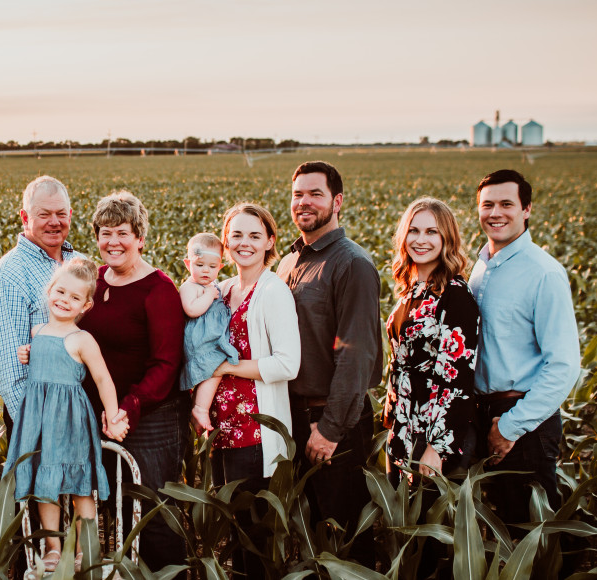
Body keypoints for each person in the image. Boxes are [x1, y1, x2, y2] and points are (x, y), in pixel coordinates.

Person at [72, 191, 188, 570]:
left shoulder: (159, 290)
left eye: (122, 232)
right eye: (105, 233)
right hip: (103, 416)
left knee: (152, 517)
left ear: (140, 238)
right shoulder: (95, 281)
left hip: (149, 419)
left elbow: (165, 365)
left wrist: (127, 408)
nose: (113, 242)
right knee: (115, 514)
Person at [274, 161, 383, 563]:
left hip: (332, 421)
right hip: (294, 416)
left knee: (345, 539)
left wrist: (332, 429)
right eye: (298, 194)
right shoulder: (289, 262)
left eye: (315, 194)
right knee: (311, 530)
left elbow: (357, 355)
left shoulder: (351, 264)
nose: (304, 202)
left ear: (336, 201)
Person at [469, 169, 579, 530]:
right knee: (500, 529)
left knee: (533, 535)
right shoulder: (481, 266)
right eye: (488, 205)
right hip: (484, 412)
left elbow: (564, 365)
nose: (495, 213)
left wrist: (512, 426)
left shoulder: (543, 273)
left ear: (527, 209)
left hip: (523, 419)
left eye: (506, 204)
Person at [197, 203, 302, 579]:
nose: (245, 243)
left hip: (255, 432)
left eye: (255, 236)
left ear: (270, 242)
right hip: (222, 430)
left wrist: (226, 366)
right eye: (237, 235)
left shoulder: (273, 292)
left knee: (255, 535)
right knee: (234, 532)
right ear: (225, 242)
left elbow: (288, 364)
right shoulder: (221, 290)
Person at [4, 257, 129, 574]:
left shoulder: (82, 339)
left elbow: (102, 379)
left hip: (71, 421)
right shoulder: (38, 331)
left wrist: (113, 415)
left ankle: (81, 546)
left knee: (79, 486)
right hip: (40, 420)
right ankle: (53, 548)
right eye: (60, 292)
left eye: (74, 297)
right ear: (49, 290)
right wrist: (27, 352)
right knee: (45, 485)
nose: (64, 300)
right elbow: (39, 361)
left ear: (85, 305)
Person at [382, 198, 480, 484]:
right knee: (401, 519)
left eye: (431, 232)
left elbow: (457, 377)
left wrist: (437, 447)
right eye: (413, 231)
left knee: (427, 522)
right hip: (402, 427)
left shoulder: (455, 296)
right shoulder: (410, 292)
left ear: (446, 238)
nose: (420, 239)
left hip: (434, 435)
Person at [0, 175, 77, 425]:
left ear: (70, 214)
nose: (54, 222)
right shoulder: (8, 275)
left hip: (83, 415)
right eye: (44, 214)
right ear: (25, 218)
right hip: (43, 422)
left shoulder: (80, 263)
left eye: (61, 214)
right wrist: (39, 431)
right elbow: (11, 372)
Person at [179, 232, 240, 433]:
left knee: (213, 372)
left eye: (212, 267)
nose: (206, 271)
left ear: (220, 267)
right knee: (213, 370)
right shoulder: (191, 287)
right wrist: (207, 295)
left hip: (210, 339)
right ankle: (200, 408)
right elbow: (192, 309)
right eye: (199, 265)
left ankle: (199, 407)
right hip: (200, 340)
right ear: (188, 264)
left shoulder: (211, 286)